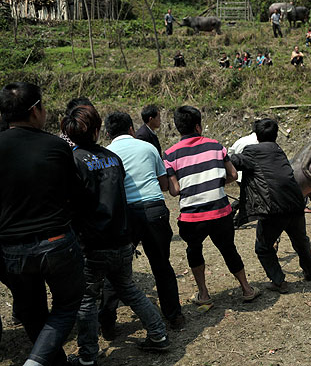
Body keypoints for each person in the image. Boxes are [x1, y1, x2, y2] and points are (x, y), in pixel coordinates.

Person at [63, 105, 169, 366]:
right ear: (98, 129)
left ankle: (88, 355)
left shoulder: (72, 161)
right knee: (128, 288)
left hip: (92, 244)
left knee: (87, 299)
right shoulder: (112, 158)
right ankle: (158, 334)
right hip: (122, 238)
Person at [0, 82, 85, 366]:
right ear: (35, 110)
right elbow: (75, 194)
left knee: (31, 311)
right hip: (56, 241)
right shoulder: (56, 146)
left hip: (13, 249)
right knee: (67, 304)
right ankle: (35, 362)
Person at [99, 111, 185, 338]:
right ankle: (174, 316)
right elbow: (164, 184)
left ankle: (107, 324)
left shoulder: (106, 154)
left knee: (115, 272)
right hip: (154, 210)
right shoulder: (148, 148)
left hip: (124, 214)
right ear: (131, 129)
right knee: (162, 265)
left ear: (107, 133)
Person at [164, 106, 260, 305]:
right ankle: (247, 289)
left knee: (194, 250)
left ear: (178, 128)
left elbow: (174, 190)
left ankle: (204, 294)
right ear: (198, 127)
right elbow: (233, 174)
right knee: (228, 249)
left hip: (192, 217)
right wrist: (217, 183)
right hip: (220, 213)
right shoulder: (216, 146)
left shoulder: (170, 154)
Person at [230, 119, 311, 293]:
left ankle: (279, 282)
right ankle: (309, 270)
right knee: (300, 241)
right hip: (296, 203)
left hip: (273, 209)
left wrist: (216, 155)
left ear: (256, 135)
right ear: (276, 135)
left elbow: (236, 161)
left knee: (263, 247)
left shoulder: (252, 151)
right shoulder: (278, 150)